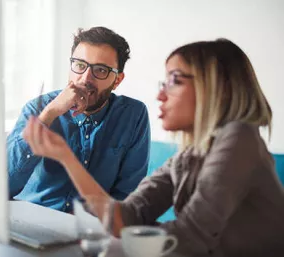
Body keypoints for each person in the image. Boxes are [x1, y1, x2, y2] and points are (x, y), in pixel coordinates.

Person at [22, 38, 284, 257]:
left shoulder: (239, 138)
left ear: (216, 89)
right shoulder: (188, 156)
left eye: (175, 81)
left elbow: (188, 240)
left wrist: (132, 238)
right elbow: (123, 218)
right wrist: (66, 157)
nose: (161, 95)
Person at [7, 26, 150, 213]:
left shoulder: (133, 115)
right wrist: (48, 115)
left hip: (90, 230)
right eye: (80, 65)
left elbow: (127, 197)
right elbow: (5, 185)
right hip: (33, 218)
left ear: (117, 80)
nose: (85, 78)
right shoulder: (39, 108)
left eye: (100, 70)